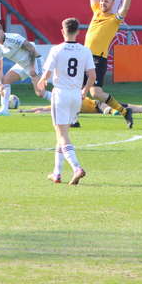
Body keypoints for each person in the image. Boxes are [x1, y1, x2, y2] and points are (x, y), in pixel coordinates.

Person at [37, 17, 95, 185]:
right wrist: (84, 90)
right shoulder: (85, 51)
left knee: (62, 134)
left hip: (61, 94)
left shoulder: (57, 50)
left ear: (62, 31)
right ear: (78, 32)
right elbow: (92, 76)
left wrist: (42, 81)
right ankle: (57, 173)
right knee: (62, 134)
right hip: (76, 96)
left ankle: (77, 168)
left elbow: (47, 74)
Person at [85, 0, 136, 128]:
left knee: (96, 93)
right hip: (84, 56)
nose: (102, 2)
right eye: (102, 1)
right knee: (77, 89)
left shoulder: (115, 19)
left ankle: (123, 111)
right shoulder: (96, 12)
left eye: (106, 1)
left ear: (112, 4)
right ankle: (72, 119)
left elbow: (126, 9)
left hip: (98, 59)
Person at [0, 23, 51, 116]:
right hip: (22, 65)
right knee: (4, 82)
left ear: (2, 32)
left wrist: (32, 67)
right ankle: (4, 110)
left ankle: (62, 102)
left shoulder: (14, 38)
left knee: (40, 93)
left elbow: (32, 49)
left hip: (35, 61)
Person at [20, 98, 142, 116]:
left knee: (103, 107)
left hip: (100, 104)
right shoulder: (61, 104)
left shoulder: (67, 101)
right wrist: (25, 110)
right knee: (139, 108)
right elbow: (41, 109)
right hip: (105, 103)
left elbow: (43, 108)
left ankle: (113, 111)